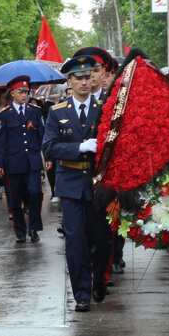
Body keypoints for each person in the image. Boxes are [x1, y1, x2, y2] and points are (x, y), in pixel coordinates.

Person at [42, 55, 111, 312]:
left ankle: (99, 278)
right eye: (79, 78)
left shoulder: (105, 107)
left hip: (99, 184)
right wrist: (78, 147)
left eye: (88, 76)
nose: (84, 82)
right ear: (69, 81)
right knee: (75, 240)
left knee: (102, 239)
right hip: (70, 183)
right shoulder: (57, 112)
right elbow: (48, 148)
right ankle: (81, 293)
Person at [0, 75, 46, 243]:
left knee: (36, 192)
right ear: (13, 94)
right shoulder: (3, 115)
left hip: (32, 160)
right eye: (21, 92)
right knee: (14, 198)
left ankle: (34, 227)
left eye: (26, 92)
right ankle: (20, 230)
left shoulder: (34, 112)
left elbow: (42, 135)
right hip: (12, 162)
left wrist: (47, 156)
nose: (24, 95)